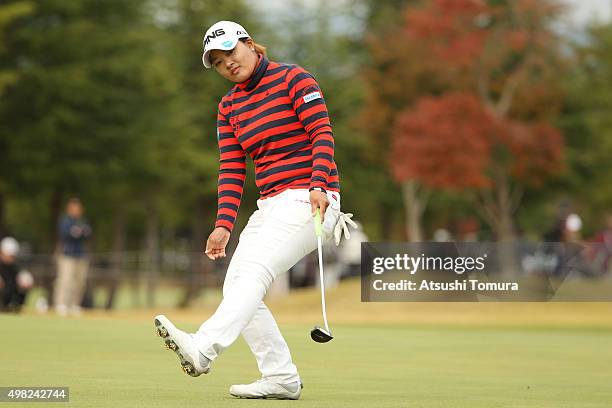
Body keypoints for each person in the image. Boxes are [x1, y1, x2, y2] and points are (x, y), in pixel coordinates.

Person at [154, 20, 356, 400]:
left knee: (256, 273)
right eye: (217, 61)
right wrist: (223, 225)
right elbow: (231, 169)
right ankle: (280, 376)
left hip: (313, 198)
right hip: (271, 204)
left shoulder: (294, 79)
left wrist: (318, 183)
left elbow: (322, 132)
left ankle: (204, 347)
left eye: (231, 51)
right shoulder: (229, 106)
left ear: (250, 44)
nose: (227, 63)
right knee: (237, 285)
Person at [55, 197, 92, 316]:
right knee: (66, 280)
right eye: (74, 209)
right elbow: (66, 235)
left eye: (78, 209)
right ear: (69, 209)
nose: (76, 211)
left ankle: (75, 305)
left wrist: (78, 233)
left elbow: (88, 234)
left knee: (80, 282)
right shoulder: (65, 221)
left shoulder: (82, 221)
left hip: (81, 255)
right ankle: (61, 304)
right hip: (67, 255)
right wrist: (77, 233)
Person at [0, 237, 31, 312]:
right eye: (10, 255)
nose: (12, 258)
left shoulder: (15, 268)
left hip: (11, 302)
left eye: (13, 256)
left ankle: (15, 307)